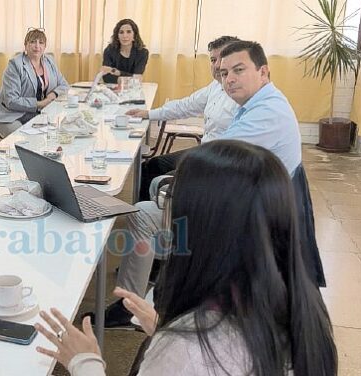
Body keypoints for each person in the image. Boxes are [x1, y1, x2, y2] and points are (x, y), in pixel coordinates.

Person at [35, 140, 338, 376]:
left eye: (172, 200)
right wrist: (166, 329)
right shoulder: (307, 312)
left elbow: (200, 357)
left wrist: (84, 362)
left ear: (201, 229)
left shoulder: (187, 350)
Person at [100, 40, 324, 329]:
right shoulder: (261, 102)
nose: (228, 78)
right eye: (224, 71)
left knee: (147, 207)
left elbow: (213, 159)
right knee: (151, 200)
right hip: (245, 201)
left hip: (247, 221)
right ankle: (139, 299)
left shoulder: (267, 113)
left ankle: (144, 308)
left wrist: (169, 186)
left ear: (264, 72)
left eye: (238, 70)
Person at [126, 36, 240, 200]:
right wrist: (148, 114)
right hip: (205, 151)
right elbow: (185, 106)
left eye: (221, 59)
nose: (216, 65)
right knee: (150, 166)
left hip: (217, 162)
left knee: (162, 182)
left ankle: (156, 213)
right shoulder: (215, 86)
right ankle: (143, 213)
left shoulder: (241, 96)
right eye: (213, 59)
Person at [0, 28, 69, 136]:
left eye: (41, 42)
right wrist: (39, 104)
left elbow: (64, 85)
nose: (37, 46)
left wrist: (51, 96)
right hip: (11, 114)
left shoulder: (49, 61)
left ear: (45, 46)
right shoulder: (15, 65)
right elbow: (11, 100)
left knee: (59, 130)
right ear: (26, 45)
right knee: (23, 139)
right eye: (32, 42)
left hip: (37, 112)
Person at [101, 19, 149, 84]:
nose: (124, 36)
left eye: (128, 32)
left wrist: (117, 72)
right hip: (113, 88)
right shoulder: (109, 50)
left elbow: (137, 78)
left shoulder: (143, 52)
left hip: (133, 89)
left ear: (134, 35)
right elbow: (106, 77)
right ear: (117, 36)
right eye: (121, 32)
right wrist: (124, 79)